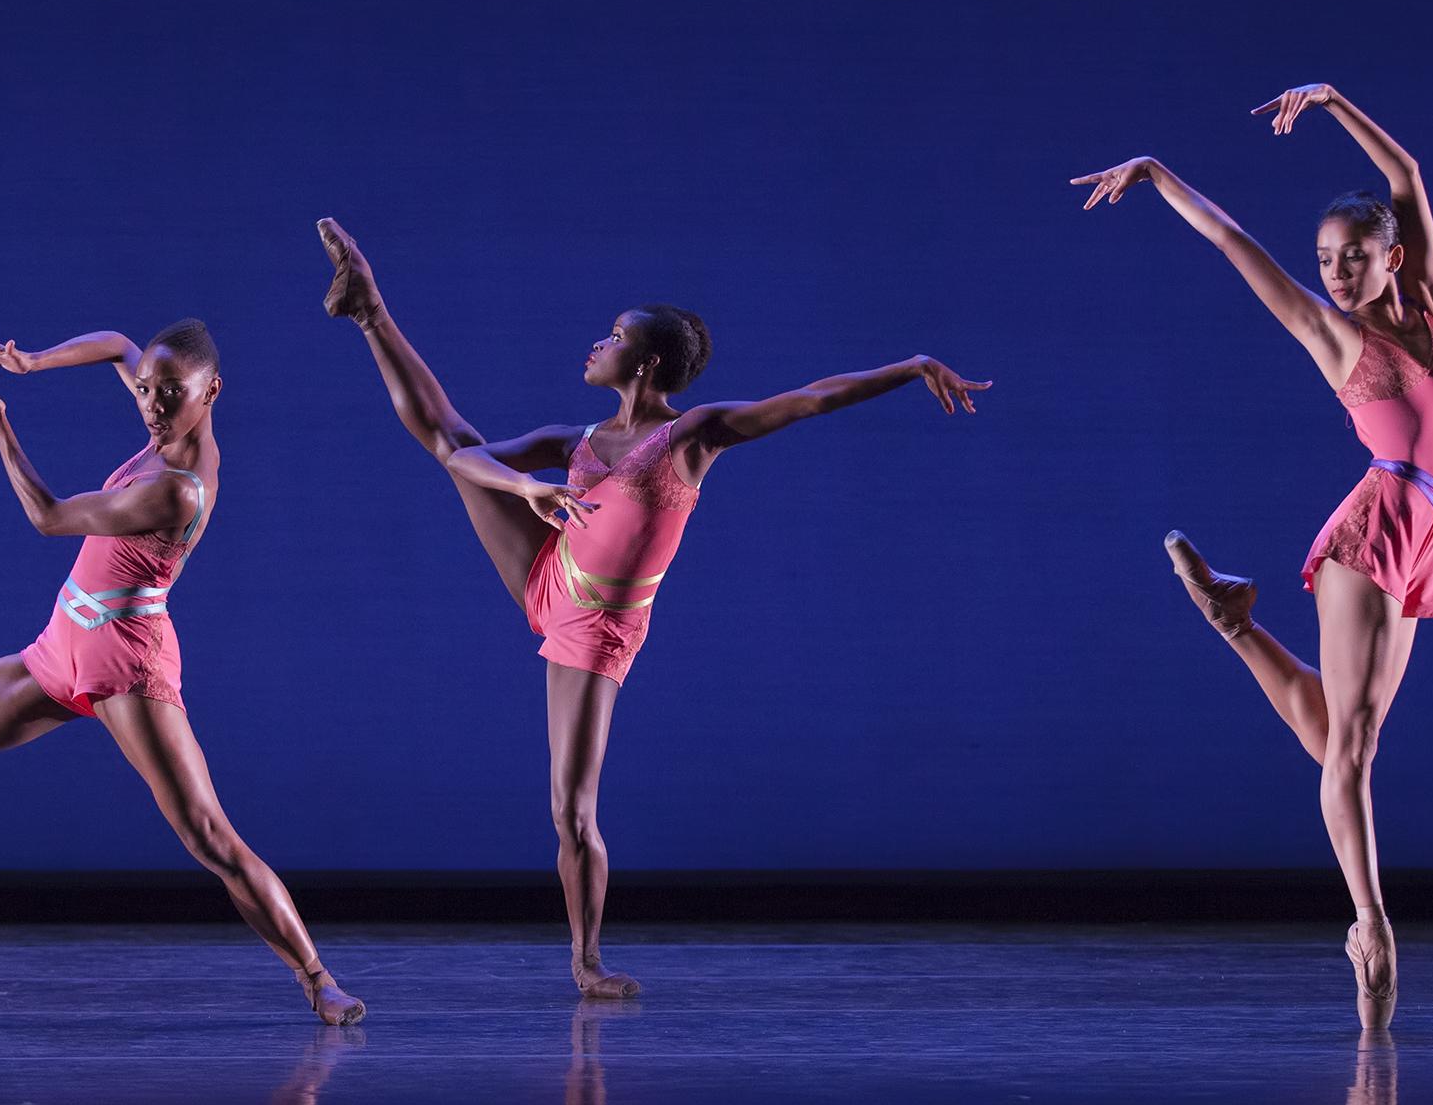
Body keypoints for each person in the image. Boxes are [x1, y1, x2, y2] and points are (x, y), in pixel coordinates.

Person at [316, 218, 990, 997]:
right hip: (548, 571)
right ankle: (370, 311)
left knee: (570, 808)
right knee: (453, 440)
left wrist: (909, 366)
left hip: (599, 626)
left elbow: (807, 400)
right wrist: (528, 486)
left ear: (651, 361)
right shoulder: (578, 436)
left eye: (613, 336)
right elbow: (464, 458)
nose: (596, 344)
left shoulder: (691, 437)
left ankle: (586, 962)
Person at [1071, 83, 1433, 1029]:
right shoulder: (1338, 338)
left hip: (1432, 533)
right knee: (1354, 753)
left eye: (1355, 257)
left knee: (1337, 735)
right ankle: (1369, 928)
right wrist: (1161, 175)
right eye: (1326, 259)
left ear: (1392, 258)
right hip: (1375, 529)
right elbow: (1232, 242)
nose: (1334, 273)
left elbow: (1405, 173)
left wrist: (1334, 101)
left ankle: (1234, 623)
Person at [0, 320, 364, 1026]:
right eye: (146, 390)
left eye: (170, 393)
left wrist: (0, 422)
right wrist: (30, 360)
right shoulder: (163, 414)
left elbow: (49, 518)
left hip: (123, 660)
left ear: (212, 392)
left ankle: (319, 979)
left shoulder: (178, 488)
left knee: (207, 834)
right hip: (60, 644)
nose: (151, 404)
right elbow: (116, 342)